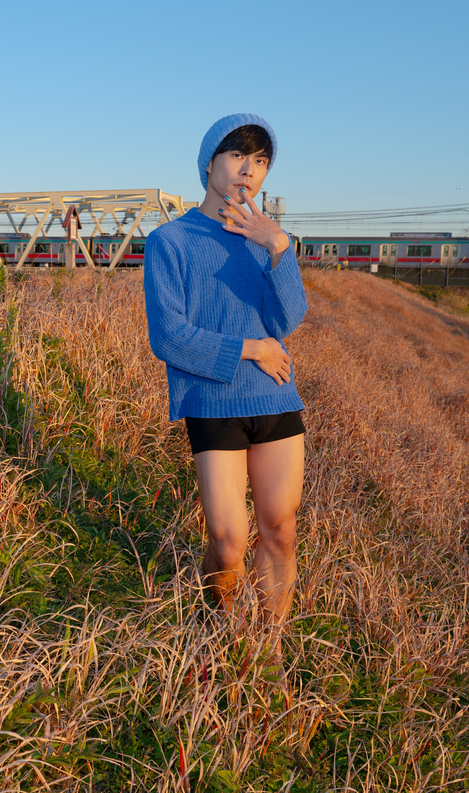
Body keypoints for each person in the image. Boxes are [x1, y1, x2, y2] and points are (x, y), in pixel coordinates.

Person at [143, 114, 308, 628]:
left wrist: (279, 248)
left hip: (275, 395)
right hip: (212, 399)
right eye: (237, 155)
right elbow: (169, 337)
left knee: (280, 529)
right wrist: (251, 349)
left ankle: (267, 651)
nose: (249, 170)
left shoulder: (265, 240)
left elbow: (287, 320)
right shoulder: (170, 241)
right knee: (229, 541)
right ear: (209, 164)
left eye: (260, 161)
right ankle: (218, 625)